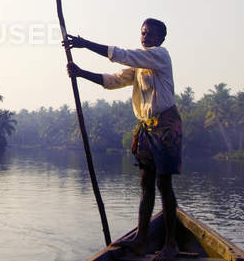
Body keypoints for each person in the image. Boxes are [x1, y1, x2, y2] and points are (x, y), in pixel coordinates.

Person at [63, 18, 182, 261]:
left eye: (150, 34)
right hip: (147, 127)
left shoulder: (159, 55)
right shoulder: (139, 65)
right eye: (142, 33)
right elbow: (113, 80)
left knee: (163, 184)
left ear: (160, 38)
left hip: (165, 126)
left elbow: (122, 55)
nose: (145, 36)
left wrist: (85, 43)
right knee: (146, 184)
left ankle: (171, 244)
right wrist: (80, 73)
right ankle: (141, 239)